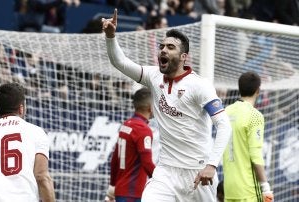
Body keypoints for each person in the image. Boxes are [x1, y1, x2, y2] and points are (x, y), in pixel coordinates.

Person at [102, 9, 232, 201]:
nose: (163, 49)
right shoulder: (153, 76)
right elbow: (120, 62)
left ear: (183, 57)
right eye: (162, 46)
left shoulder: (200, 85)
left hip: (197, 171)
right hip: (166, 171)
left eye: (170, 47)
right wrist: (111, 37)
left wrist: (212, 165)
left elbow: (224, 125)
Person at [222, 71, 274, 202]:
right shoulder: (255, 115)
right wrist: (265, 187)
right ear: (258, 90)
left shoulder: (226, 112)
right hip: (248, 190)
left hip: (229, 188)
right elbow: (255, 154)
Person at [105, 87, 156, 202]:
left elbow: (114, 160)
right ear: (150, 107)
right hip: (133, 194)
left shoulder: (126, 125)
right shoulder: (143, 130)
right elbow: (147, 163)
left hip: (121, 190)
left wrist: (112, 185)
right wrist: (162, 181)